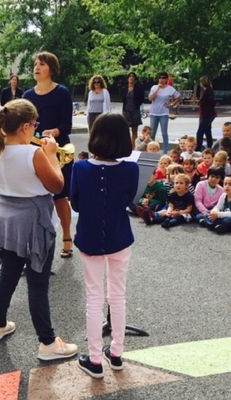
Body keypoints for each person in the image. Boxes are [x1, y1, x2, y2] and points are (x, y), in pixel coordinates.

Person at [0, 99, 77, 361]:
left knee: (8, 274)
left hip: (8, 221)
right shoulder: (33, 153)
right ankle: (48, 343)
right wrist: (51, 155)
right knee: (38, 282)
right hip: (34, 222)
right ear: (27, 126)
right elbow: (57, 185)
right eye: (34, 125)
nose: (37, 130)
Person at [70, 113, 138, 379]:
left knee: (94, 298)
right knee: (117, 296)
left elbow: (75, 203)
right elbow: (128, 198)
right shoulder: (131, 169)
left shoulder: (80, 167)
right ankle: (117, 353)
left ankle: (95, 359)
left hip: (89, 237)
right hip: (120, 236)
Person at [23, 51, 74, 258]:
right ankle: (36, 244)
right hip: (34, 151)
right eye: (35, 64)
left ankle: (67, 237)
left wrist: (54, 132)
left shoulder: (62, 93)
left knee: (60, 198)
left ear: (51, 69)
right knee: (35, 198)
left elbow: (67, 125)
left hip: (58, 151)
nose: (37, 67)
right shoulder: (27, 96)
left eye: (42, 64)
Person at [148, 72, 181, 153]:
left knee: (164, 133)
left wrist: (171, 104)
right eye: (160, 78)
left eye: (163, 78)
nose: (161, 79)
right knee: (152, 134)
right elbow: (150, 99)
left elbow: (179, 97)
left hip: (164, 113)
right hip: (153, 113)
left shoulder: (170, 89)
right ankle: (151, 150)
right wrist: (158, 89)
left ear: (166, 79)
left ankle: (165, 151)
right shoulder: (154, 87)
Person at [195, 76, 216, 151]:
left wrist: (201, 102)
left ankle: (198, 148)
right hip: (208, 114)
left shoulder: (207, 91)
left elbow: (211, 102)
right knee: (207, 130)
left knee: (200, 132)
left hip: (206, 114)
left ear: (202, 83)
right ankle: (210, 146)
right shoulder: (208, 90)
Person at [122, 72, 143, 144]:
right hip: (126, 111)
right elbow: (122, 98)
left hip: (135, 111)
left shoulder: (138, 88)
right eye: (130, 76)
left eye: (133, 76)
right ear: (127, 79)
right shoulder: (124, 88)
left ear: (135, 79)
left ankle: (133, 148)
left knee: (134, 131)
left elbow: (141, 99)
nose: (131, 78)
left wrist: (136, 105)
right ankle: (126, 147)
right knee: (125, 131)